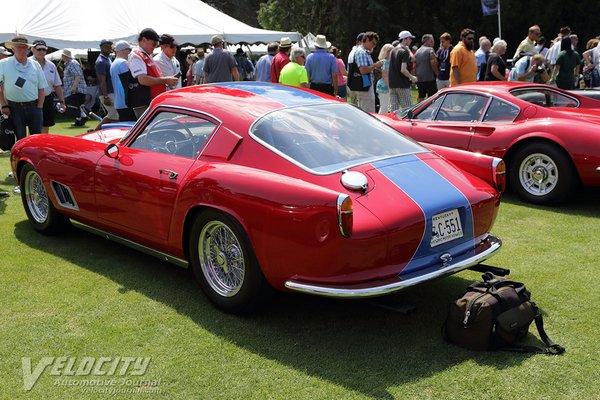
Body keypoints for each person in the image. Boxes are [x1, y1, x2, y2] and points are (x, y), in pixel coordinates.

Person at [0, 35, 46, 194]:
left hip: (33, 107)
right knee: (19, 143)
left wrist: (39, 107)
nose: (22, 49)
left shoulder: (34, 65)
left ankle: (37, 175)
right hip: (14, 107)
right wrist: (4, 104)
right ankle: (20, 179)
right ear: (12, 48)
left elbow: (42, 88)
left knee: (36, 143)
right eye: (18, 47)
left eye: (24, 47)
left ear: (28, 49)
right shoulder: (3, 64)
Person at [128, 28, 178, 115]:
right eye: (154, 43)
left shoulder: (146, 55)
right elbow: (142, 79)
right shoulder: (136, 55)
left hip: (152, 101)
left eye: (157, 44)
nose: (155, 47)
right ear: (144, 40)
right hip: (145, 103)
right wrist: (165, 80)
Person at [29, 40, 66, 133]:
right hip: (31, 100)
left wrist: (62, 101)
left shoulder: (51, 65)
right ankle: (31, 146)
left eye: (44, 49)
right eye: (39, 49)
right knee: (33, 126)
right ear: (32, 49)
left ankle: (42, 146)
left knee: (46, 125)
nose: (42, 51)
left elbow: (57, 85)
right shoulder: (27, 63)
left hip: (47, 98)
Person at [354, 32, 383, 113]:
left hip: (366, 85)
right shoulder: (362, 52)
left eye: (375, 44)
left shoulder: (364, 52)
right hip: (365, 85)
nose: (374, 46)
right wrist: (375, 65)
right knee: (368, 112)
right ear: (366, 40)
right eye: (373, 43)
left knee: (366, 110)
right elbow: (363, 70)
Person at [389, 30, 417, 112]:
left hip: (392, 84)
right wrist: (412, 77)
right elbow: (403, 69)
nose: (411, 40)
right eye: (410, 38)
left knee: (394, 110)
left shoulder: (393, 50)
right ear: (405, 39)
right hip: (402, 84)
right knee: (408, 109)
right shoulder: (404, 52)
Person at [95, 39, 119, 130]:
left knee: (114, 116)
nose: (109, 48)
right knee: (115, 115)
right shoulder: (100, 61)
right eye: (106, 46)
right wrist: (105, 96)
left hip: (110, 92)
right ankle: (95, 131)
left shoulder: (108, 59)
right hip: (107, 93)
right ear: (101, 47)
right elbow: (102, 80)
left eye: (110, 46)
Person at [110, 40, 136, 122]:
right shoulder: (123, 63)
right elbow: (129, 82)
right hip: (127, 102)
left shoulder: (113, 64)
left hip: (119, 102)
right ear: (124, 50)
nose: (130, 52)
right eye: (129, 50)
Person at [62, 49, 88, 126]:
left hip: (76, 89)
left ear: (65, 56)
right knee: (75, 105)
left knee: (72, 105)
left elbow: (78, 75)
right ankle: (81, 119)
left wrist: (74, 87)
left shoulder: (72, 63)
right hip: (72, 90)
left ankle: (83, 117)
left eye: (62, 55)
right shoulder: (68, 64)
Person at [414, 34, 438, 102]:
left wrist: (415, 76)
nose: (433, 42)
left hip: (420, 78)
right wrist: (437, 72)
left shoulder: (417, 51)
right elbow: (433, 62)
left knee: (421, 96)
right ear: (429, 41)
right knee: (434, 97)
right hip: (429, 78)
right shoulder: (430, 49)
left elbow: (414, 66)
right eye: (432, 40)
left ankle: (419, 110)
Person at [347, 32, 365, 106]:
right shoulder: (359, 52)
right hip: (358, 83)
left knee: (353, 104)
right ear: (359, 42)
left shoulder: (352, 51)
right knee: (359, 105)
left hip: (352, 82)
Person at [376, 44, 393, 114]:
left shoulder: (388, 61)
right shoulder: (386, 62)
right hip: (385, 86)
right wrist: (390, 87)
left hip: (386, 85)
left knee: (388, 107)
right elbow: (385, 76)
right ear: (387, 52)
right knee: (384, 107)